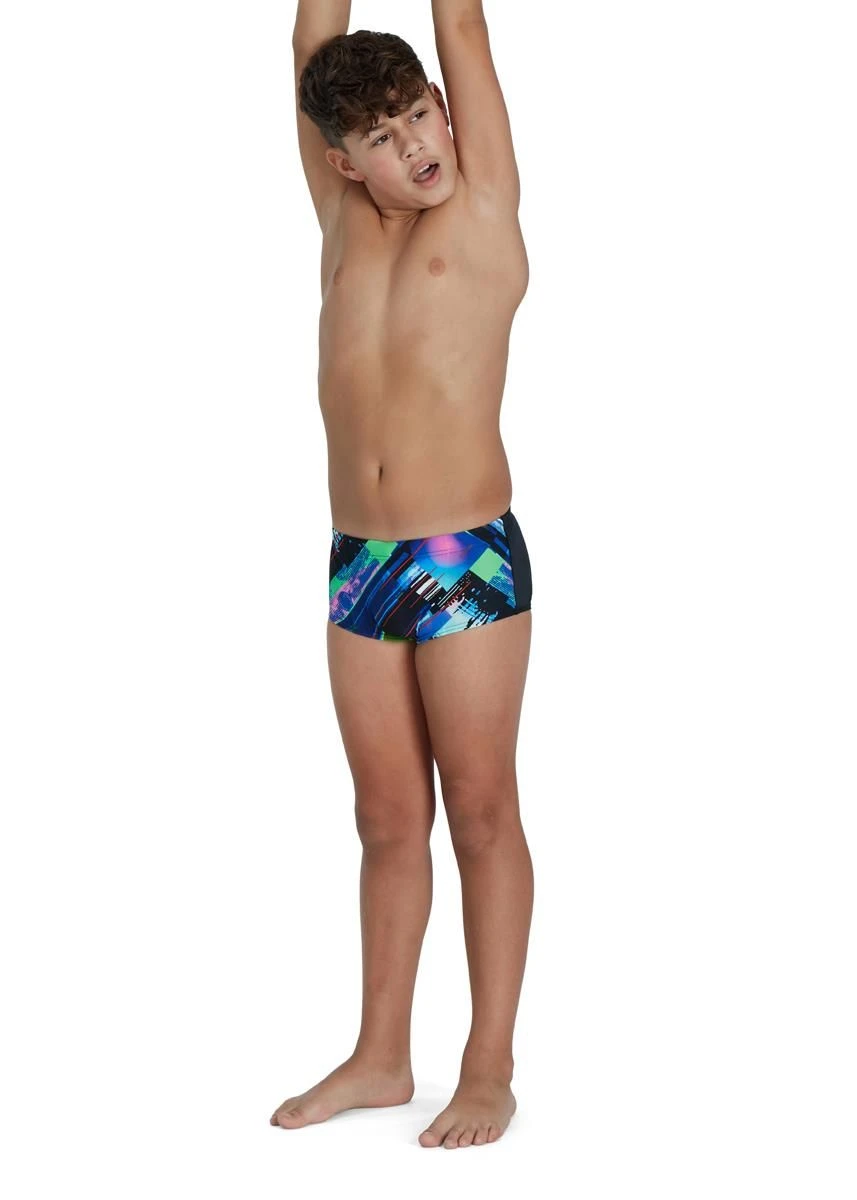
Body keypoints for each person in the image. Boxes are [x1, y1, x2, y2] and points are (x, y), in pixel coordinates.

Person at [271, 0, 534, 1150]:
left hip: (459, 558)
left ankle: (488, 1067)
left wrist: (448, 64)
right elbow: (307, 48)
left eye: (419, 113)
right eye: (380, 136)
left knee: (476, 810)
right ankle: (381, 1056)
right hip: (358, 566)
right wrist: (320, 62)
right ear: (342, 160)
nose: (416, 142)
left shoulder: (478, 205)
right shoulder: (339, 218)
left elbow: (461, 22)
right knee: (385, 820)